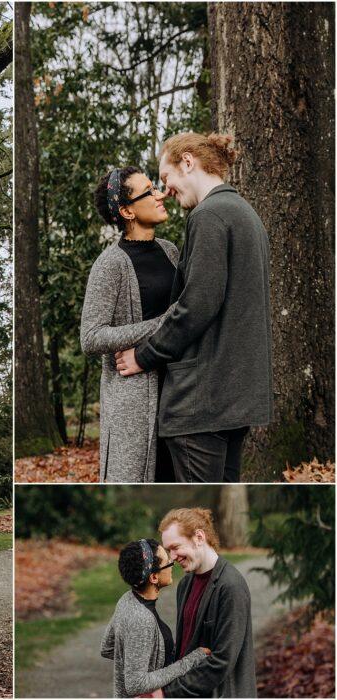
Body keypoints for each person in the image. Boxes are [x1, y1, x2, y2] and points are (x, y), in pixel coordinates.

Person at [116, 133, 273, 482]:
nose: (166, 190)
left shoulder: (209, 216)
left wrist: (143, 356)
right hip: (237, 400)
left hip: (201, 402)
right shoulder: (247, 215)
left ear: (188, 162)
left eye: (166, 178)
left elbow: (196, 305)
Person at [81, 167, 178, 482]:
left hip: (179, 392)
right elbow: (91, 338)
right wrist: (162, 323)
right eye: (148, 192)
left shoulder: (170, 251)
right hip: (132, 403)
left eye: (156, 187)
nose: (159, 195)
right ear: (126, 211)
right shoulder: (110, 265)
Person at [156, 507, 256, 697]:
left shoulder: (231, 586)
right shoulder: (185, 585)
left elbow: (222, 661)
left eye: (175, 547)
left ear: (199, 537)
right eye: (169, 550)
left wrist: (168, 692)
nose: (172, 558)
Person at [101, 538, 209, 697]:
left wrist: (138, 658)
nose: (173, 561)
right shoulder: (141, 619)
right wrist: (190, 661)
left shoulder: (127, 599)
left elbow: (107, 647)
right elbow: (136, 684)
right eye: (167, 561)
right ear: (153, 578)